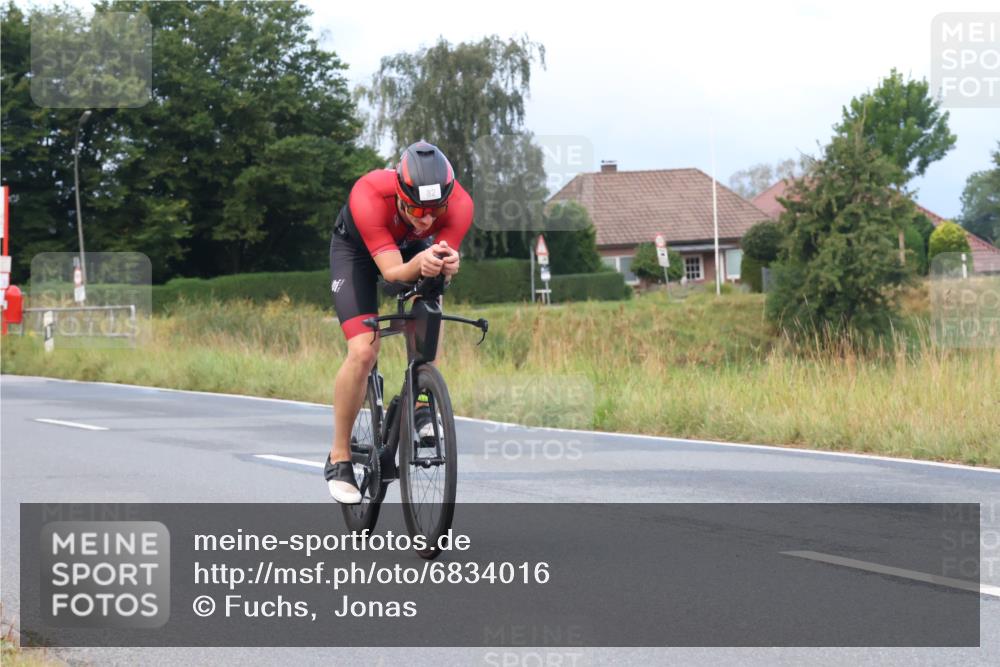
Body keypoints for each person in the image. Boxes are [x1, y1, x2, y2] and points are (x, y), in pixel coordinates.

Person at [326, 141, 473, 503]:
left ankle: (422, 403)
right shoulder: (369, 195)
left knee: (430, 306)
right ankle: (339, 457)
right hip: (358, 253)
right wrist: (423, 261)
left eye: (434, 211)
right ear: (399, 194)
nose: (426, 219)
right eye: (416, 209)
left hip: (411, 249)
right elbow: (392, 273)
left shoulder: (460, 206)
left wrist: (446, 265)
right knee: (364, 350)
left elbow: (439, 263)